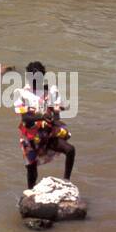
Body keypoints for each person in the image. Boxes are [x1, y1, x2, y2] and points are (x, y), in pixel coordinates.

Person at [13, 61, 75, 189]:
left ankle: (67, 181)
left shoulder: (51, 91)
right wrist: (42, 116)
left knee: (70, 150)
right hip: (30, 137)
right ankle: (30, 191)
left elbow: (56, 114)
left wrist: (55, 117)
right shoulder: (21, 93)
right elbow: (25, 118)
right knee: (31, 168)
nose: (36, 82)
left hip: (48, 133)